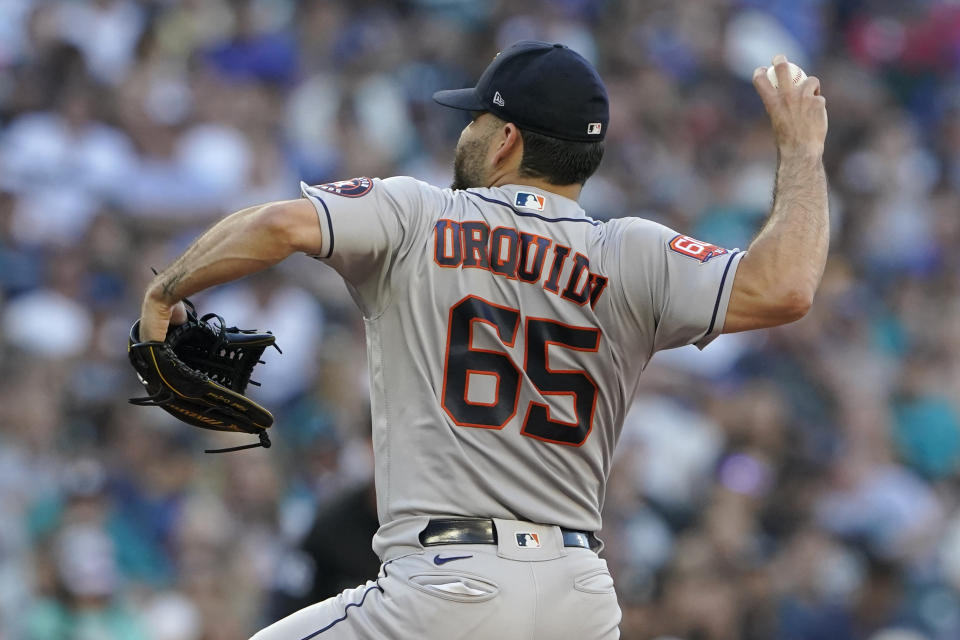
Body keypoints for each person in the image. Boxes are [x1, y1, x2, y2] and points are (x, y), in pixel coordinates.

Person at [137, 42, 828, 639]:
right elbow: (786, 288)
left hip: (446, 583)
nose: (465, 130)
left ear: (506, 140)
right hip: (579, 597)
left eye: (476, 117)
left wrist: (167, 289)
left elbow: (282, 226)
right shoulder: (634, 252)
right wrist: (800, 152)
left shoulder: (420, 213)